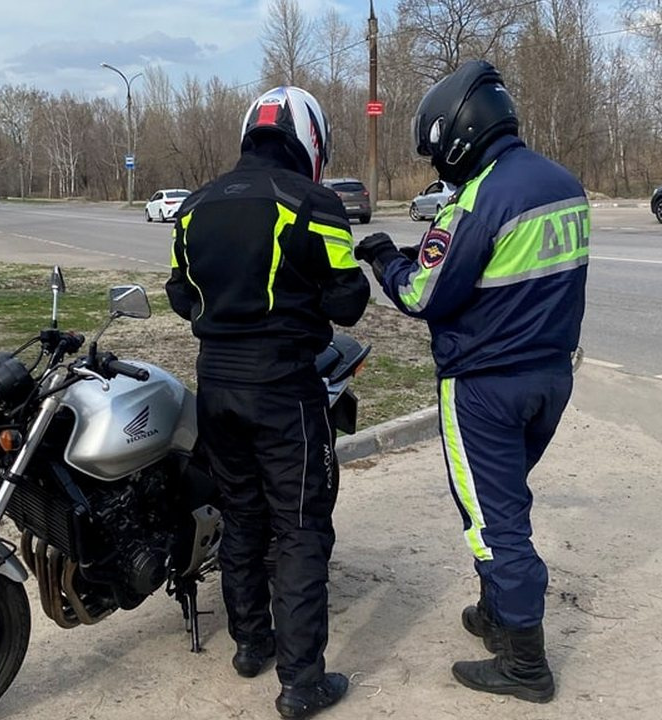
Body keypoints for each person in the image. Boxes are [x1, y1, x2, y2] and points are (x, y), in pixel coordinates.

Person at [354, 60, 589, 704]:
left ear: (459, 132)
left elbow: (424, 293)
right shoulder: (563, 183)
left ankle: (524, 665)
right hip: (551, 376)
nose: (439, 168)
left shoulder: (479, 198)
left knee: (494, 523)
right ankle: (495, 614)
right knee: (504, 498)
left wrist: (384, 258)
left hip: (485, 385)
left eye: (438, 153)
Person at [166, 85, 370, 719]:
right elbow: (348, 302)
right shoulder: (315, 201)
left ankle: (251, 645)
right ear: (310, 140)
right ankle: (302, 681)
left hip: (216, 387)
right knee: (302, 526)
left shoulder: (194, 205)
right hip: (284, 388)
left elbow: (180, 294)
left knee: (242, 517)